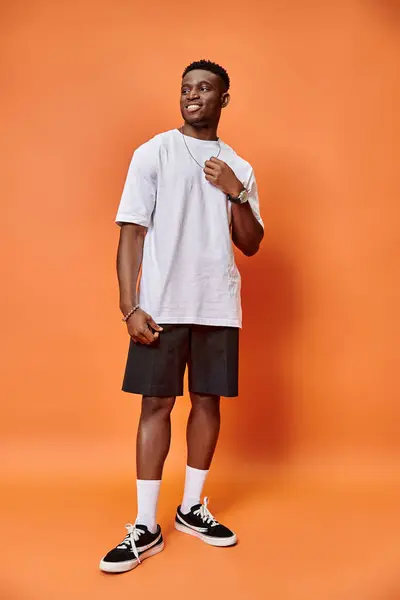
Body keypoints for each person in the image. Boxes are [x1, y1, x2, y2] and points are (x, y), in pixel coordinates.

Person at [99, 60, 264, 574]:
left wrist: (235, 189)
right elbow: (130, 234)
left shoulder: (239, 165)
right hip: (164, 305)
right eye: (187, 88)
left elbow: (252, 242)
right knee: (155, 404)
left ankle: (192, 509)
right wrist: (130, 306)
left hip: (217, 302)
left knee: (207, 402)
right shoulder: (154, 153)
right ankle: (146, 526)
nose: (193, 95)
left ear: (224, 99)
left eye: (205, 88)